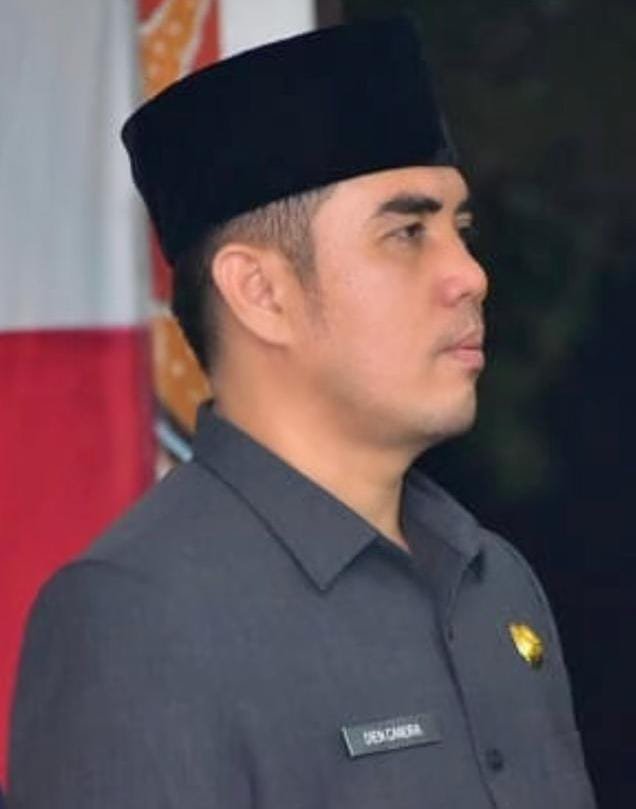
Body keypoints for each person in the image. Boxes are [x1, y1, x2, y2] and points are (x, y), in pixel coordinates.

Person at [8, 17, 597, 809]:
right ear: (261, 292)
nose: (469, 274)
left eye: (459, 230)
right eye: (407, 232)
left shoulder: (492, 578)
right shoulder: (135, 618)